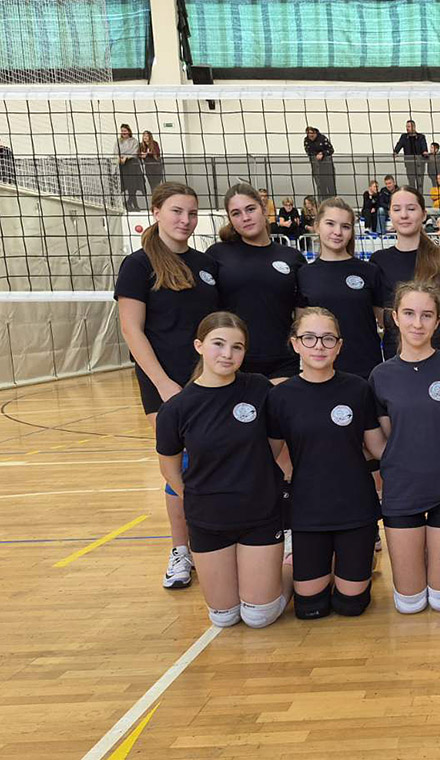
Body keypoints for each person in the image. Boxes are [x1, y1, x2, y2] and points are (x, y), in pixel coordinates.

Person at [157, 311, 290, 629]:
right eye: (218, 344)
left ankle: (294, 565)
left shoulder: (259, 389)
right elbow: (169, 468)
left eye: (237, 347)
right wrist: (198, 499)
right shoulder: (177, 408)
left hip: (260, 514)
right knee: (224, 617)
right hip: (208, 520)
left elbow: (274, 444)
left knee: (258, 617)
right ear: (199, 346)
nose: (227, 354)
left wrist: (254, 478)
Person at [115, 182, 218, 590]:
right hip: (165, 384)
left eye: (192, 213)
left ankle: (213, 538)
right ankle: (180, 550)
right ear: (156, 212)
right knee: (181, 465)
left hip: (210, 381)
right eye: (177, 211)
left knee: (213, 459)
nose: (185, 220)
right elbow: (131, 329)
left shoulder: (206, 264)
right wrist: (163, 384)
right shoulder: (138, 265)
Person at [371, 281, 440, 614]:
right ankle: (431, 553)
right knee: (409, 604)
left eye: (426, 315)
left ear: (438, 321)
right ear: (395, 317)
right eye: (409, 313)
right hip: (402, 491)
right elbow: (385, 441)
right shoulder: (380, 376)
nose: (417, 323)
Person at [267, 308, 384, 619]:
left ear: (339, 345)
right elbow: (269, 454)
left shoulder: (358, 389)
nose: (319, 346)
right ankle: (303, 563)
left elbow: (378, 448)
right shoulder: (281, 397)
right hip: (308, 512)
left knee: (350, 606)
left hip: (355, 509)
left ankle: (359, 560)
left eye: (328, 338)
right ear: (295, 343)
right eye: (309, 338)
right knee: (310, 608)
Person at [207, 184, 305, 381]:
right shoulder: (217, 254)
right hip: (233, 361)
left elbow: (302, 315)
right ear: (230, 219)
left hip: (283, 361)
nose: (245, 217)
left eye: (250, 209)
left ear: (263, 208)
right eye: (236, 213)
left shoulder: (292, 257)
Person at [296, 198, 388, 378]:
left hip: (365, 368)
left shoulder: (370, 271)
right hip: (321, 371)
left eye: (345, 226)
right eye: (330, 224)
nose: (337, 232)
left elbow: (385, 322)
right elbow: (301, 327)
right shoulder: (304, 274)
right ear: (317, 226)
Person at [369, 185, 440, 358]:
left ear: (423, 214)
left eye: (411, 208)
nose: (404, 215)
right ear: (390, 214)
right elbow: (380, 315)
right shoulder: (379, 260)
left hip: (438, 350)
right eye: (397, 209)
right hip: (397, 352)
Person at [393, 120, 429, 190]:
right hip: (409, 164)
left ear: (414, 127)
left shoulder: (421, 137)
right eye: (406, 126)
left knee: (420, 183)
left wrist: (425, 151)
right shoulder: (404, 136)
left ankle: (419, 196)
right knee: (411, 183)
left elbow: (424, 145)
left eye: (409, 126)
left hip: (419, 164)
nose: (407, 128)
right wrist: (396, 152)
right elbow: (399, 144)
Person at [115, 123, 144, 210]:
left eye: (125, 130)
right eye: (122, 131)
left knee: (133, 184)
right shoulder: (118, 141)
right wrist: (119, 158)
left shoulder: (134, 141)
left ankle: (131, 203)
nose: (123, 132)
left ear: (129, 131)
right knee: (126, 185)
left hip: (132, 164)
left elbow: (134, 152)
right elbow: (116, 151)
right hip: (122, 165)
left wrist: (127, 157)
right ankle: (132, 204)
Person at [303, 126, 337, 200]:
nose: (311, 137)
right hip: (316, 167)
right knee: (320, 187)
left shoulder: (322, 138)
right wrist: (316, 155)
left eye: (312, 135)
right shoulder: (306, 140)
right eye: (309, 135)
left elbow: (331, 150)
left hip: (327, 167)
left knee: (331, 186)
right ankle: (322, 203)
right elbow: (308, 151)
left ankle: (333, 202)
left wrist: (322, 153)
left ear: (315, 133)